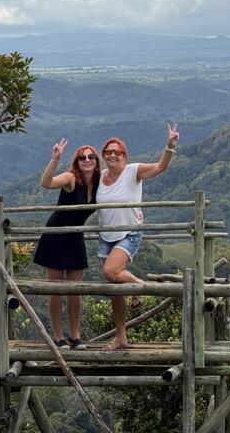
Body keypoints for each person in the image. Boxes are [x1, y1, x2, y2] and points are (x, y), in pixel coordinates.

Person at [96, 124, 179, 351]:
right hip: (106, 236)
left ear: (125, 155)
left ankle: (140, 285)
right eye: (108, 152)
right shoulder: (100, 177)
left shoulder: (133, 171)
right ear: (104, 156)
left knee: (111, 272)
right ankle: (121, 336)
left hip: (129, 232)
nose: (112, 155)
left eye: (117, 152)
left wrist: (170, 146)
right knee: (115, 288)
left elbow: (160, 167)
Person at [33, 139, 101, 349]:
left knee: (75, 290)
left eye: (91, 157)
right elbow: (47, 183)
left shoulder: (100, 184)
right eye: (82, 157)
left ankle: (75, 335)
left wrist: (138, 214)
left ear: (97, 162)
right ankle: (59, 336)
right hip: (56, 234)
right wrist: (54, 160)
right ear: (77, 162)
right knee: (56, 290)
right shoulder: (72, 178)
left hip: (75, 236)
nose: (87, 160)